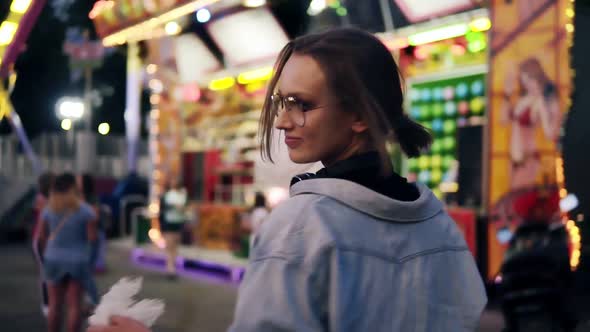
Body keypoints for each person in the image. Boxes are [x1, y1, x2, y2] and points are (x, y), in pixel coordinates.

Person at [88, 28, 486, 332]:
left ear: (360, 115)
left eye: (303, 105)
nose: (281, 121)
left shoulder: (301, 226)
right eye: (281, 102)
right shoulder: (439, 225)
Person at [38, 173, 98, 332]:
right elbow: (92, 238)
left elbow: (41, 236)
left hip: (53, 259)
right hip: (77, 261)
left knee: (54, 305)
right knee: (74, 306)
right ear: (74, 188)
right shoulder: (86, 210)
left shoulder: (48, 209)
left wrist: (49, 253)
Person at [502, 57, 561, 189]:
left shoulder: (540, 102)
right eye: (524, 81)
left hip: (527, 159)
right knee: (512, 201)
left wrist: (549, 111)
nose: (526, 84)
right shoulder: (523, 99)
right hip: (514, 159)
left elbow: (550, 133)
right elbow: (504, 120)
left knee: (517, 201)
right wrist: (507, 94)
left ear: (536, 78)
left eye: (529, 80)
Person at [32, 172, 55, 317]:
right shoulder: (41, 200)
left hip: (49, 240)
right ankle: (47, 305)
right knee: (46, 273)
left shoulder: (49, 199)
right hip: (41, 240)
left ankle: (52, 302)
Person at [159, 176, 188, 279]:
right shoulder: (166, 195)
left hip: (178, 222)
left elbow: (185, 208)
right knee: (169, 245)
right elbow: (162, 210)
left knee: (175, 245)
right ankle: (170, 268)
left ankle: (172, 267)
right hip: (168, 223)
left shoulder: (183, 194)